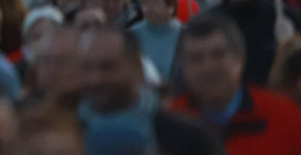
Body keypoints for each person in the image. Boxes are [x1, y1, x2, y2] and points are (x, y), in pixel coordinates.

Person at [169, 13, 301, 155]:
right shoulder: (167, 125)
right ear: (184, 67)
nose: (208, 67)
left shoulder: (288, 120)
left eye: (218, 55)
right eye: (196, 58)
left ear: (240, 59)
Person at [77, 25, 221, 155]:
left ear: (137, 68)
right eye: (87, 67)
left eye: (107, 67)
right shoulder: (65, 131)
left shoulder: (189, 138)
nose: (95, 78)